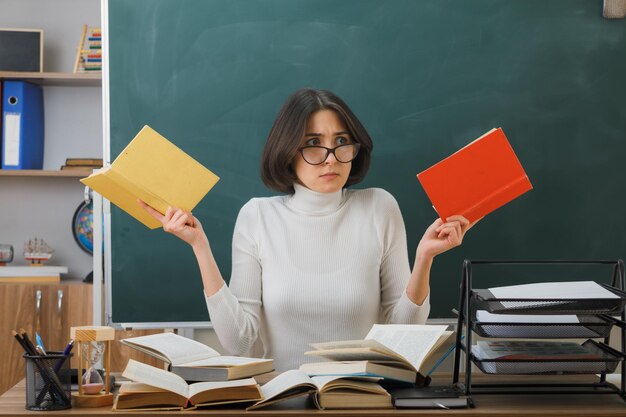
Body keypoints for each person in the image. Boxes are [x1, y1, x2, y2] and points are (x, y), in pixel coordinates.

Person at [139, 88, 476, 370]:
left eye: (341, 141)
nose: (331, 158)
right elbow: (241, 342)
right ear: (288, 154)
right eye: (314, 142)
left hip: (361, 398)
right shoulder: (257, 216)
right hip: (281, 398)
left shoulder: (379, 207)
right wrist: (199, 245)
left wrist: (424, 259)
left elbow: (401, 334)